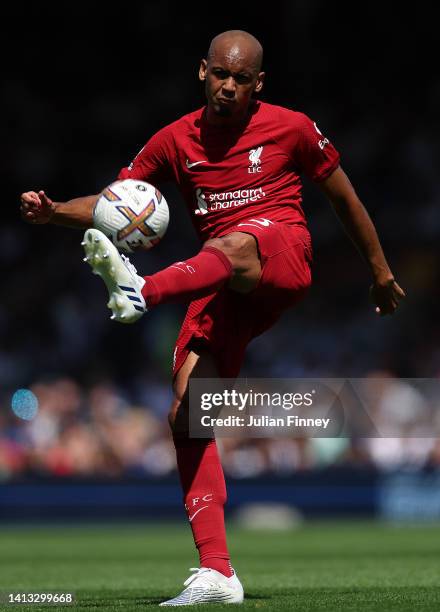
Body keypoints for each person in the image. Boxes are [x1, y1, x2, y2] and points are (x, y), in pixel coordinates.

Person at [20, 30, 405, 606]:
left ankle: (141, 289)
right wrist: (54, 214)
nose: (228, 86)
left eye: (241, 79)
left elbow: (343, 199)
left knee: (232, 246)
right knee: (187, 414)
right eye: (220, 75)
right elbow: (113, 203)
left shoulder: (292, 127)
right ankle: (218, 573)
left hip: (280, 254)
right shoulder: (174, 140)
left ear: (259, 84)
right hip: (218, 286)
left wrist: (379, 271)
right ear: (202, 71)